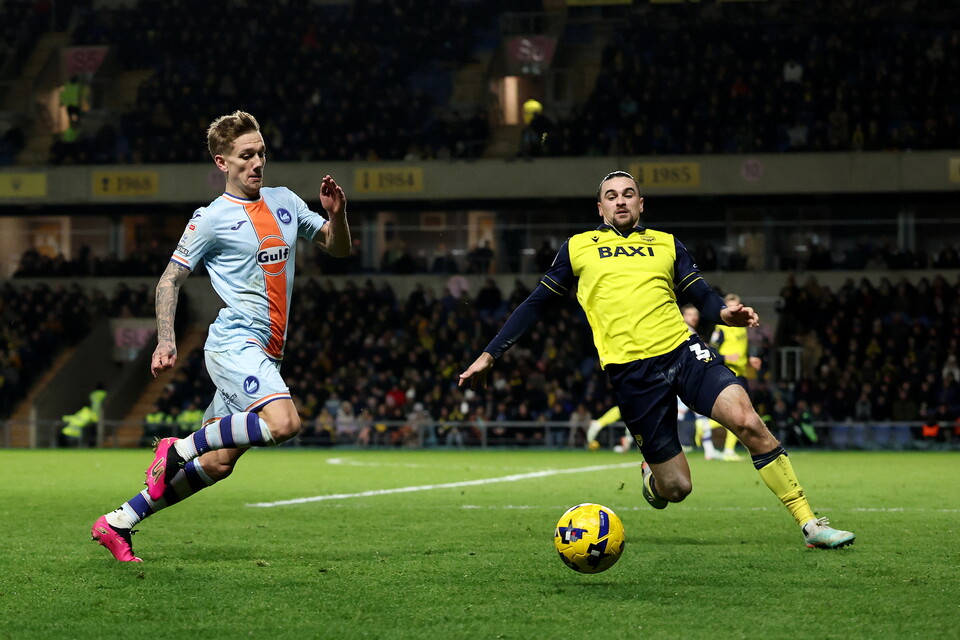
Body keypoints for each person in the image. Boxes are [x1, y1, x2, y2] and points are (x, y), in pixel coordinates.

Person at [459, 170, 855, 550]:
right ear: (600, 208)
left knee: (747, 419)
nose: (620, 201)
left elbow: (701, 293)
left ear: (641, 203)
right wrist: (489, 354)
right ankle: (652, 478)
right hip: (631, 373)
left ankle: (809, 523)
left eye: (627, 194)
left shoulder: (666, 243)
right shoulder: (578, 247)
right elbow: (536, 303)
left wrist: (723, 313)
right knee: (677, 488)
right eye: (611, 196)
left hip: (683, 350)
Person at [91, 111, 352, 562]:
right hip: (234, 345)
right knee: (284, 424)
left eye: (262, 154)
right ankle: (178, 447)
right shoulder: (211, 219)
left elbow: (336, 245)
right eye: (246, 156)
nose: (257, 164)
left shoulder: (285, 201)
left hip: (268, 353)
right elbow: (169, 280)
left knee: (217, 463)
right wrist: (166, 339)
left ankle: (117, 522)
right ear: (222, 162)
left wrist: (338, 215)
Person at [703, 292, 764, 461]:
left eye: (737, 306)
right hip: (726, 372)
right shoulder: (721, 328)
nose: (735, 310)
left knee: (742, 412)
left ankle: (727, 449)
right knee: (738, 412)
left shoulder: (742, 326)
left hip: (741, 372)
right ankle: (708, 427)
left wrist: (749, 360)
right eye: (731, 306)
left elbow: (740, 348)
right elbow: (712, 349)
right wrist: (728, 358)